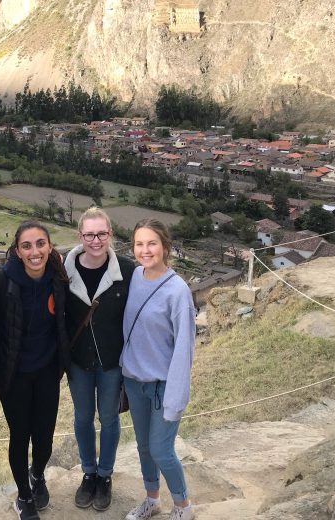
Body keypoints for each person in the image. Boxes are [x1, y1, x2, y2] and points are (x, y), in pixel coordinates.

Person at [0, 220, 71, 520]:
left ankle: (37, 475)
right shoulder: (3, 280)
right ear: (17, 250)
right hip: (14, 375)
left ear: (50, 247)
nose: (35, 251)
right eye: (27, 245)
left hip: (48, 371)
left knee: (45, 438)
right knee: (20, 436)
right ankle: (24, 496)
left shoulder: (58, 276)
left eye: (40, 243)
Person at [121, 219, 196, 520]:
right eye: (139, 244)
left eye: (152, 243)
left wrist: (176, 399)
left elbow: (184, 350)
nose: (145, 250)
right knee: (143, 447)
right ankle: (152, 499)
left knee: (161, 449)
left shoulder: (178, 292)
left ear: (165, 247)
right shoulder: (134, 277)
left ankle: (183, 506)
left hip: (163, 385)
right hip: (133, 380)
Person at [64, 207, 134, 511]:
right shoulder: (63, 270)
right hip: (79, 362)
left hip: (111, 362)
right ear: (80, 236)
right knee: (82, 419)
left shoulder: (128, 271)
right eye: (90, 234)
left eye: (101, 233)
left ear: (110, 234)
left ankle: (105, 476)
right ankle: (88, 473)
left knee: (108, 419)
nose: (96, 240)